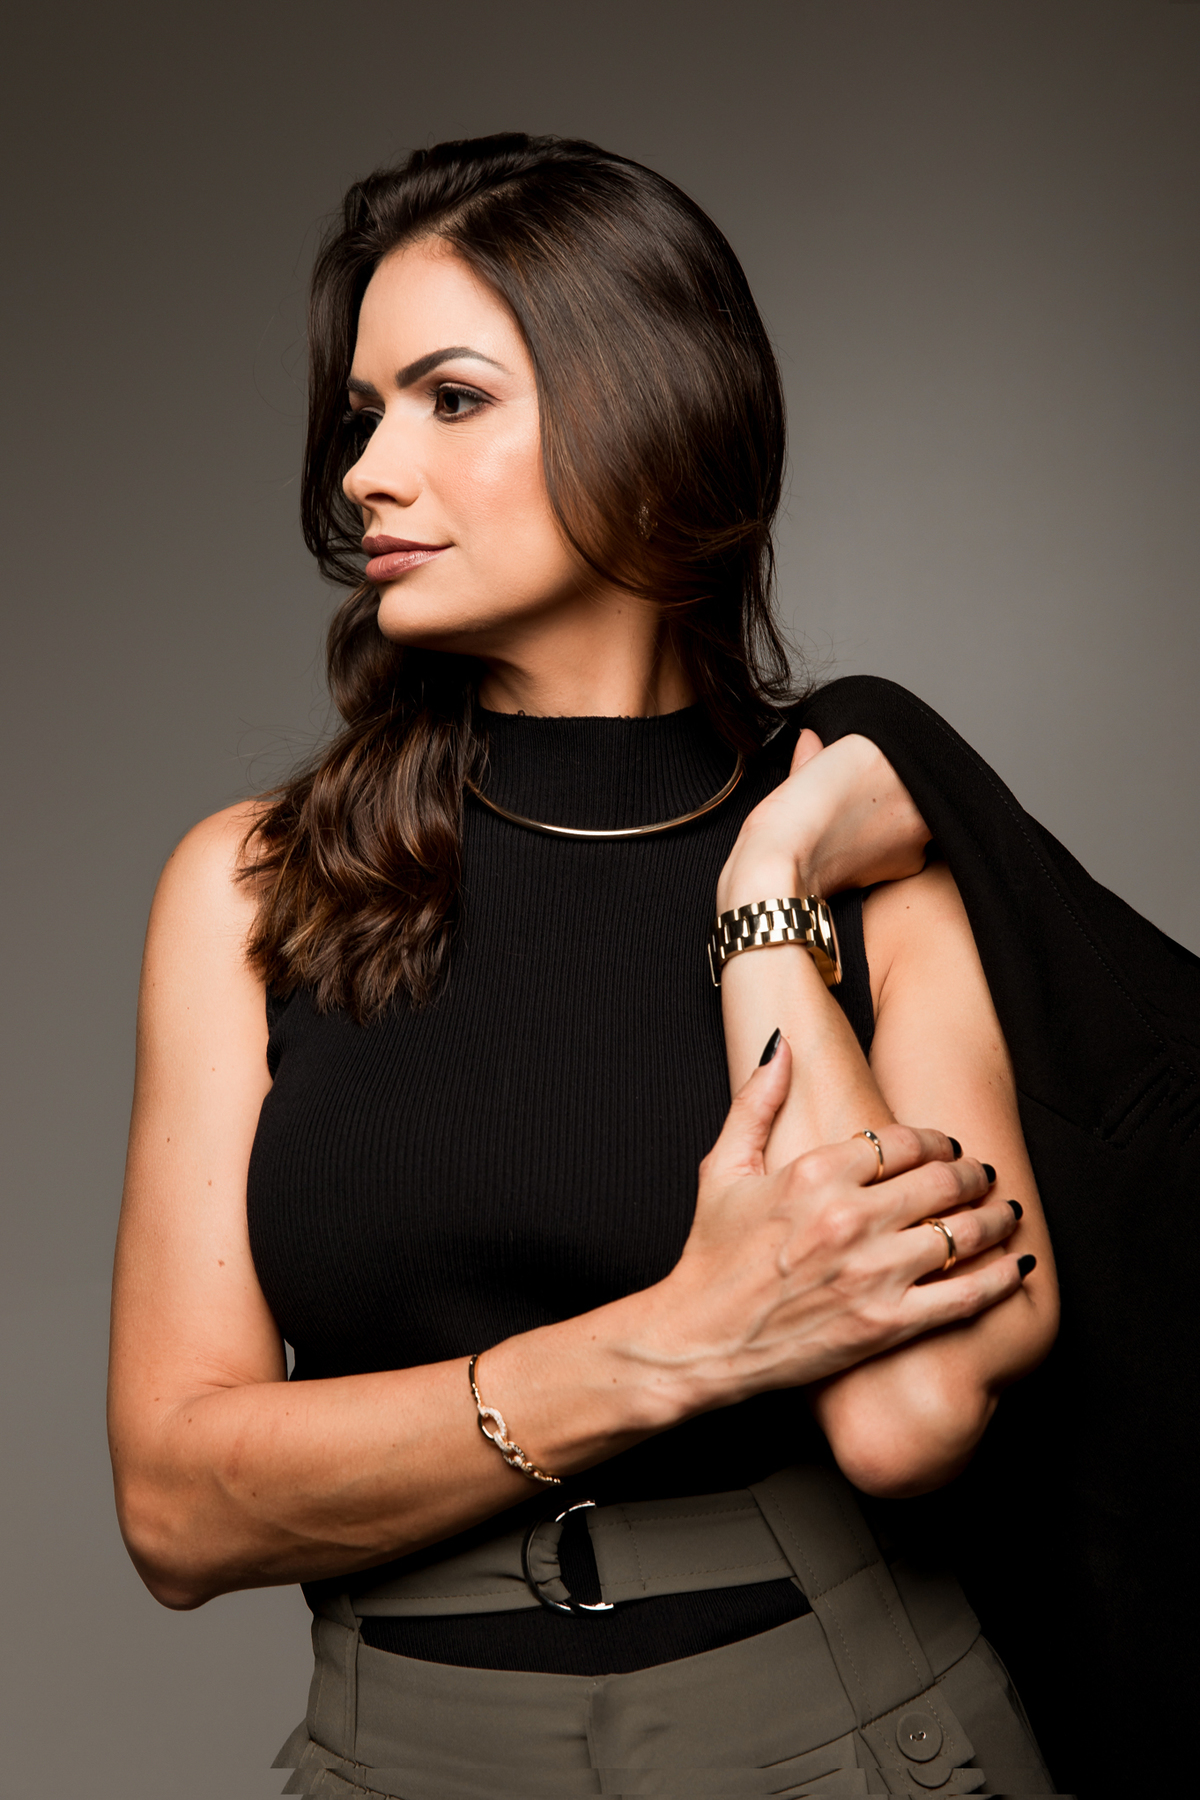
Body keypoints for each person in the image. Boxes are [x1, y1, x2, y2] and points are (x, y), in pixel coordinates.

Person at [108, 135, 1066, 1796]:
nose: (368, 472)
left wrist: (765, 881)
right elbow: (178, 1509)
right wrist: (679, 1340)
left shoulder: (866, 862)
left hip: (846, 1724)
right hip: (402, 1745)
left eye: (449, 400)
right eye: (364, 414)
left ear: (651, 412)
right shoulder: (254, 888)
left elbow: (909, 1417)